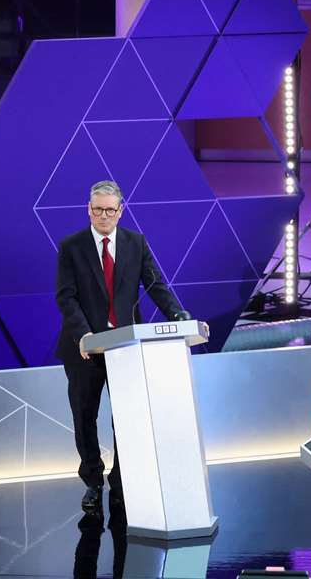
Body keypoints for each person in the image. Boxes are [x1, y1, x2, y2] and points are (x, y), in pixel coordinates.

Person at [55, 179, 195, 519]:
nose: (104, 215)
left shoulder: (136, 242)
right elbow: (66, 297)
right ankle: (93, 482)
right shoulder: (71, 246)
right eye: (98, 209)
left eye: (110, 210)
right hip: (84, 349)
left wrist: (178, 315)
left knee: (127, 420)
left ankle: (121, 481)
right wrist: (84, 335)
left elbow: (155, 284)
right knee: (85, 416)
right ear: (89, 210)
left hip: (127, 348)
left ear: (121, 211)